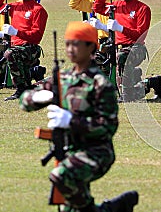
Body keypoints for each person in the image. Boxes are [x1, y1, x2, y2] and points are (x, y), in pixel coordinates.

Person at [19, 21, 138, 212]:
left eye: (76, 43)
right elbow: (24, 101)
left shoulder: (99, 84)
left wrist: (71, 121)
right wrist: (39, 97)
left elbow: (108, 126)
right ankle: (114, 208)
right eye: (68, 43)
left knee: (61, 175)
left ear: (91, 47)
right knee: (69, 209)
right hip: (69, 150)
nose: (70, 49)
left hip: (96, 151)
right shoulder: (62, 79)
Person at [93, 0, 161, 102]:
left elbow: (140, 34)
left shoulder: (143, 9)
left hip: (136, 47)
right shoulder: (116, 5)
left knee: (122, 58)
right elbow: (97, 8)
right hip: (117, 47)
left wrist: (120, 28)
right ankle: (152, 82)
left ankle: (127, 94)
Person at [0, 0, 48, 101]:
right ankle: (34, 73)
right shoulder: (14, 6)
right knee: (10, 53)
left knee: (10, 53)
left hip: (30, 47)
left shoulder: (38, 10)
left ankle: (21, 89)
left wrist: (16, 32)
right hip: (15, 46)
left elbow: (36, 37)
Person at [69, 0, 117, 75]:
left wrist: (102, 27)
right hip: (101, 42)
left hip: (116, 41)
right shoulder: (95, 0)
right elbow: (73, 4)